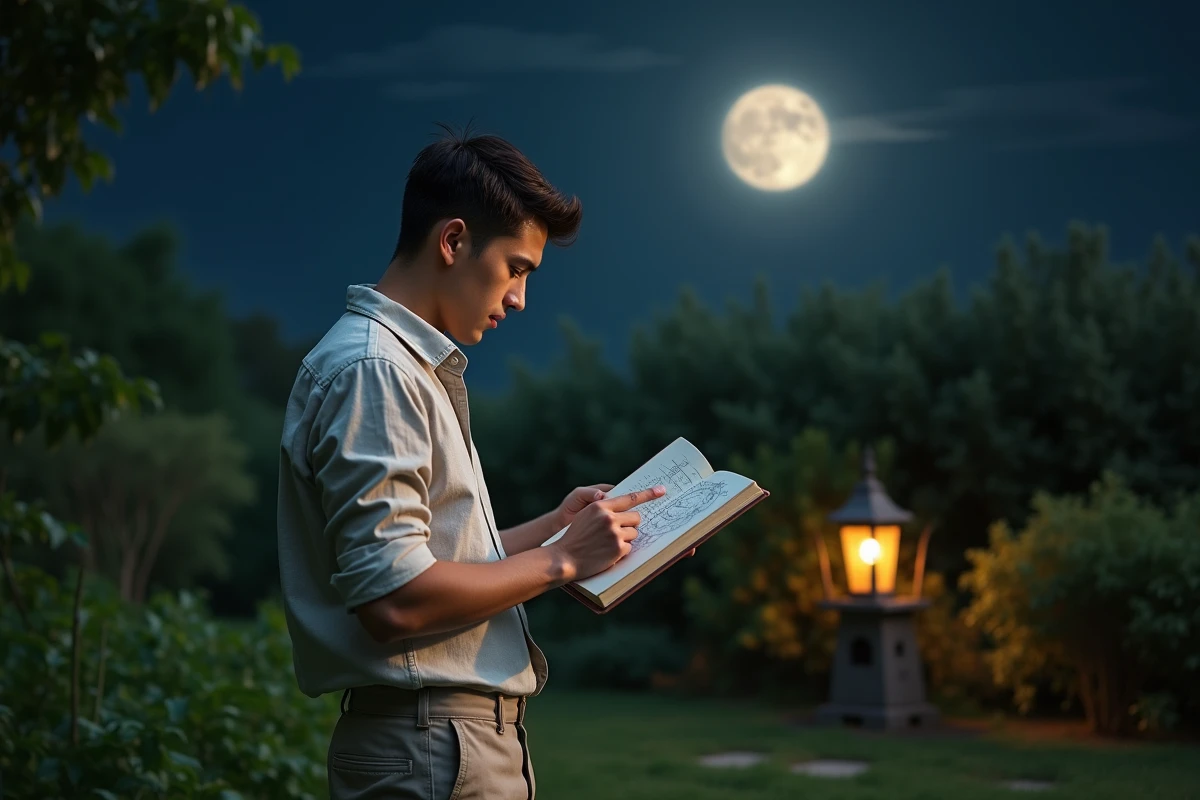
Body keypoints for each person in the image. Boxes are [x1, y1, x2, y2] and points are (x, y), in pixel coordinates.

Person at [276, 125, 670, 800]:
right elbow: (393, 602)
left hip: (445, 746)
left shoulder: (404, 370)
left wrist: (555, 528)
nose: (519, 298)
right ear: (453, 242)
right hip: (432, 749)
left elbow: (426, 564)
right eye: (516, 268)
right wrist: (562, 560)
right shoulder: (377, 373)